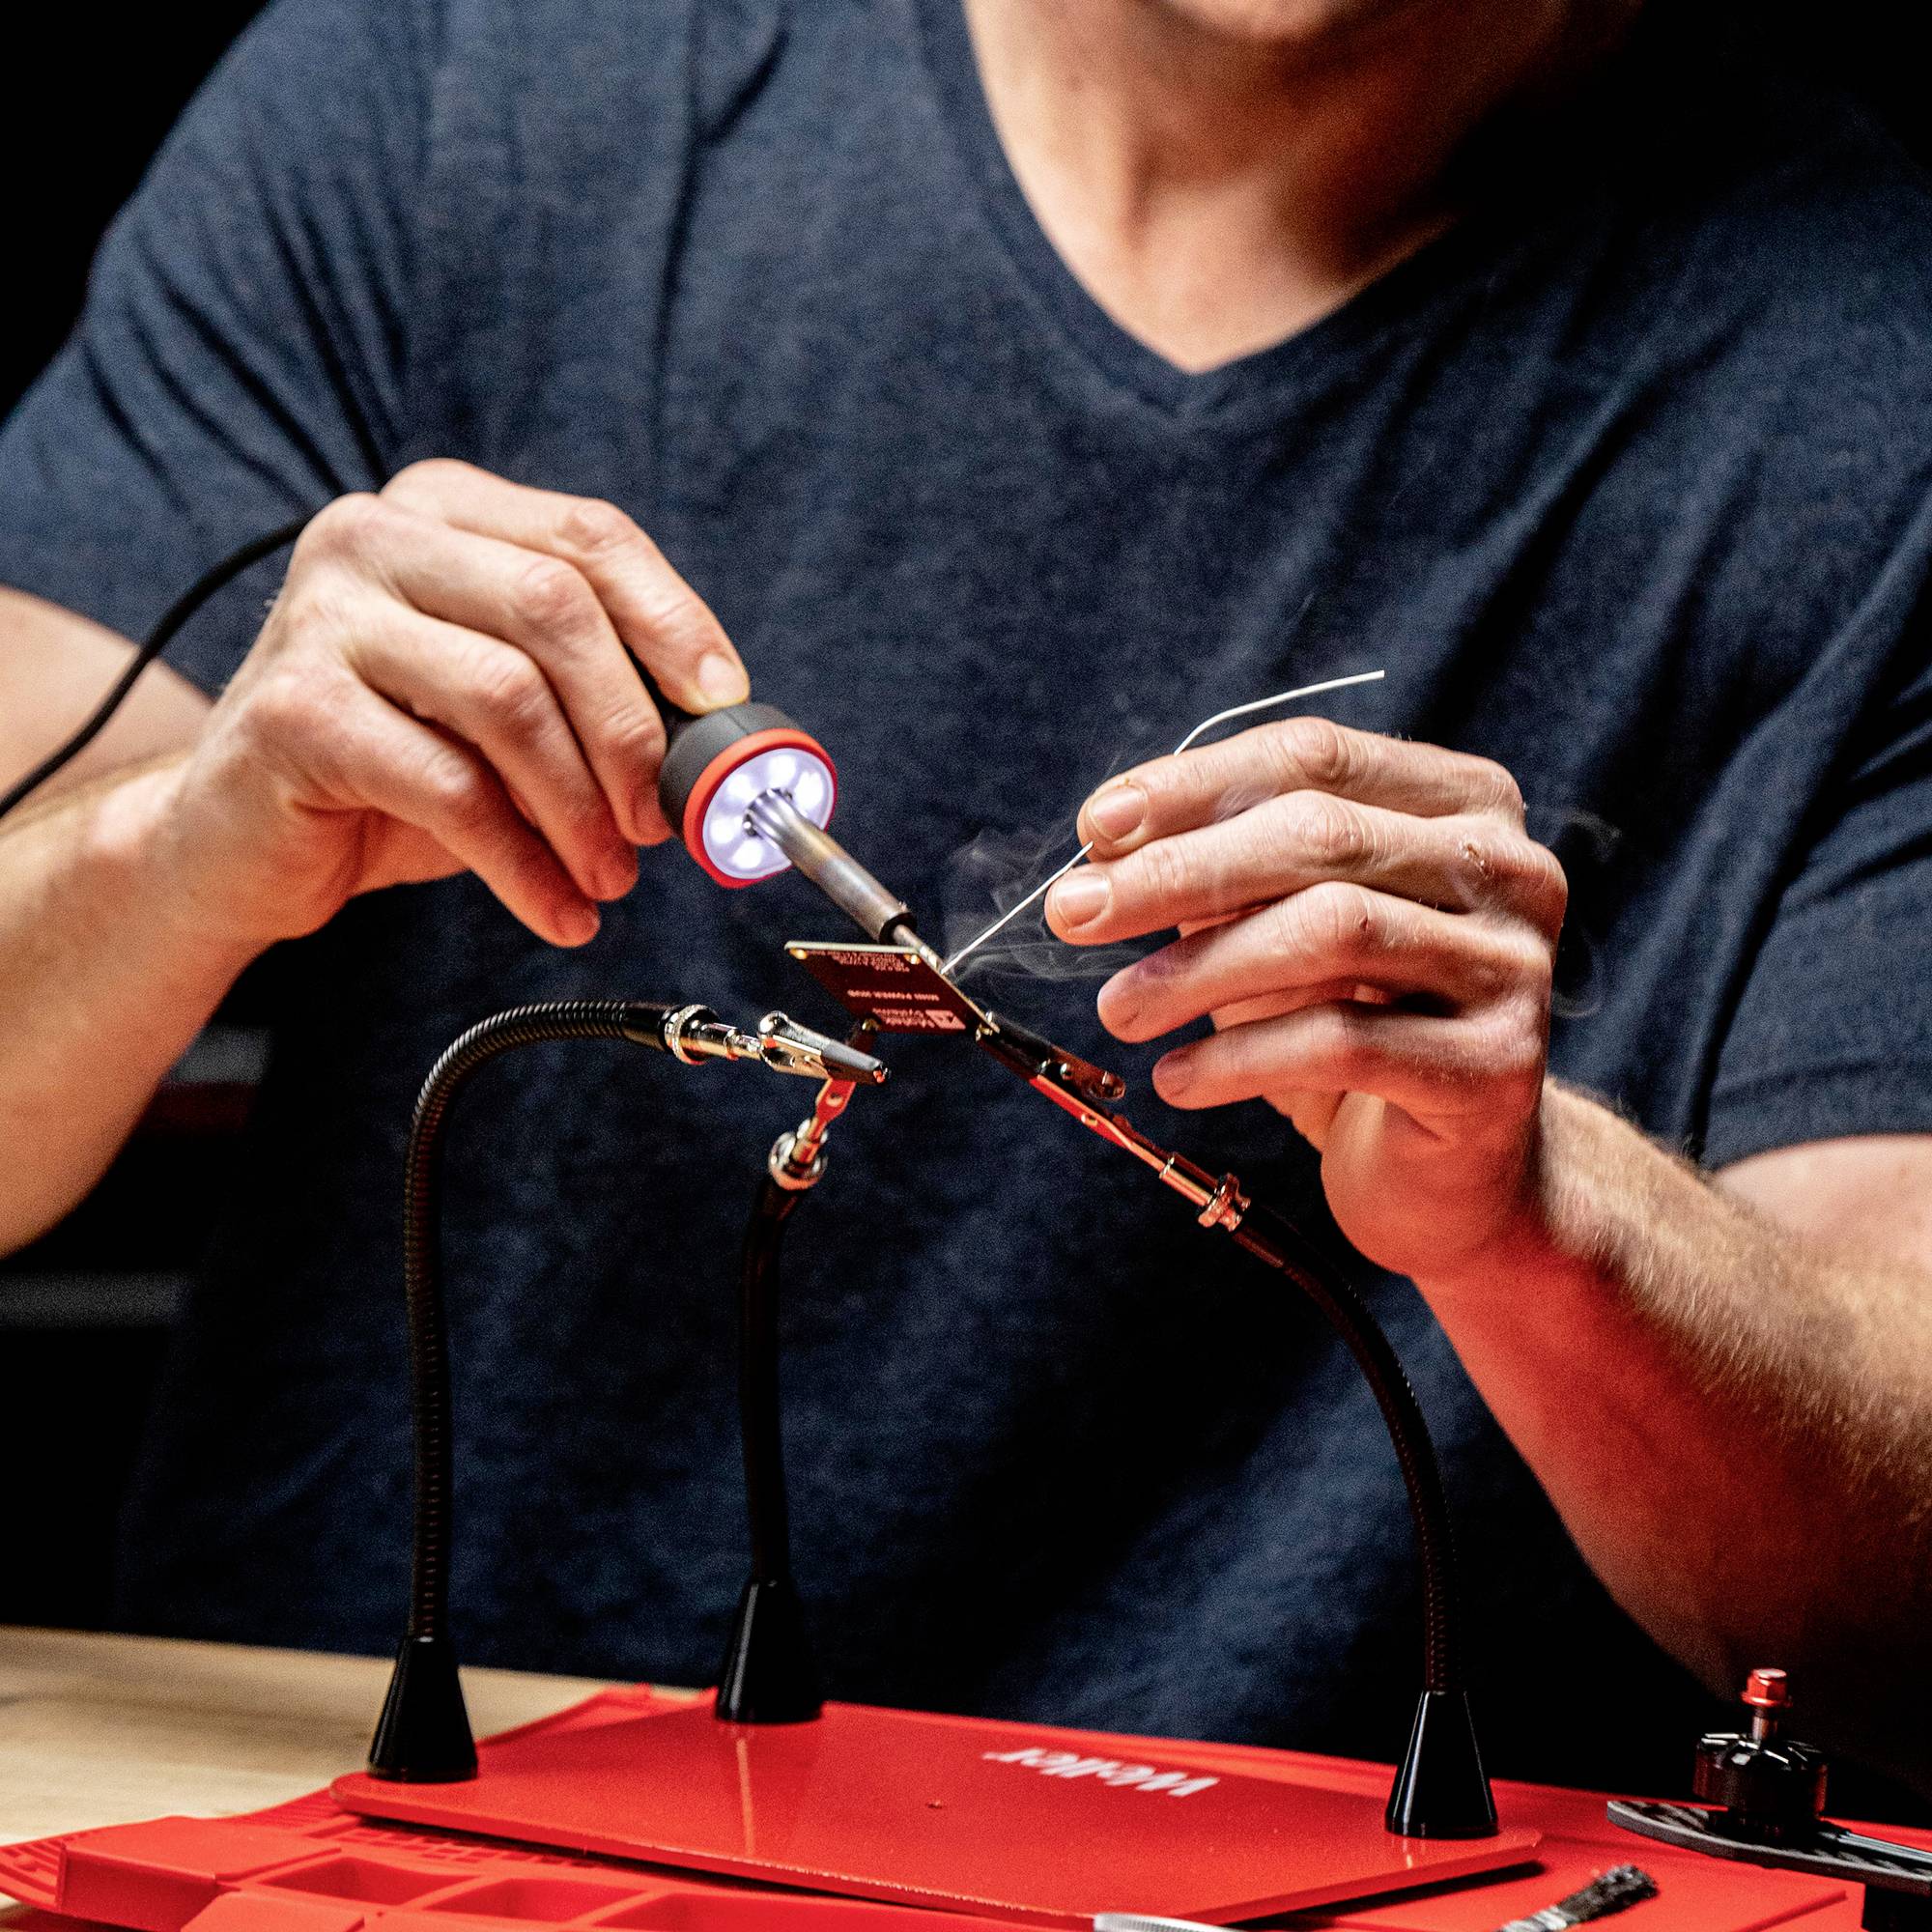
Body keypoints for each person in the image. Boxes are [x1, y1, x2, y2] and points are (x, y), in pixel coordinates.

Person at [3, 0, 1931, 1802]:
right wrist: (180, 846)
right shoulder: (449, 95)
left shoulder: (1869, 392)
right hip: (338, 1838)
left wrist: (1529, 1220)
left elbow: (1887, 1621)